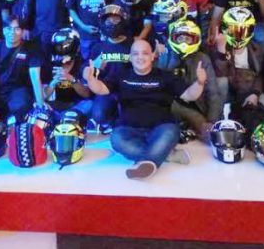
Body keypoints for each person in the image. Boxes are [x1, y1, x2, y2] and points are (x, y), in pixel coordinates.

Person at [85, 39, 207, 179]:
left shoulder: (165, 76)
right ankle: (164, 154)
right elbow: (101, 89)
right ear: (130, 57)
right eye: (136, 54)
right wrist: (91, 80)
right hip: (128, 129)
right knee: (116, 139)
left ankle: (148, 161)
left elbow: (189, 95)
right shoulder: (121, 75)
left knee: (171, 132)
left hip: (161, 128)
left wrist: (200, 82)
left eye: (145, 53)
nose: (140, 57)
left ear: (152, 56)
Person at [156, 19, 222, 142]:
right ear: (173, 39)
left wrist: (212, 121)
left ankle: (191, 127)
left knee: (211, 136)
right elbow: (157, 86)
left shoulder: (203, 59)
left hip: (195, 105)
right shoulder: (165, 55)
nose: (184, 42)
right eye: (180, 38)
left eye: (188, 39)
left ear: (195, 40)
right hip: (170, 104)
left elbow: (213, 92)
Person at [211, 7, 264, 138]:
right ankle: (218, 120)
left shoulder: (256, 49)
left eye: (243, 31)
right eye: (234, 30)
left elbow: (260, 75)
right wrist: (221, 51)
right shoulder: (218, 45)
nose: (238, 35)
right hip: (229, 90)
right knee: (221, 82)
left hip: (248, 88)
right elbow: (220, 74)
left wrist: (254, 93)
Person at [88, 5, 134, 133]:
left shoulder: (133, 45)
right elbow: (88, 75)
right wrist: (94, 68)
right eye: (108, 21)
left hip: (129, 89)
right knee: (98, 115)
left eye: (116, 20)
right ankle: (112, 119)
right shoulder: (98, 47)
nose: (112, 24)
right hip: (106, 89)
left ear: (123, 21)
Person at [43, 28, 93, 120]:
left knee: (90, 104)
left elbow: (87, 94)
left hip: (77, 106)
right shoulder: (49, 65)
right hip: (54, 106)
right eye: (59, 46)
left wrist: (71, 79)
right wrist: (53, 83)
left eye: (66, 45)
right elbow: (43, 96)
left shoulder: (83, 64)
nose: (62, 48)